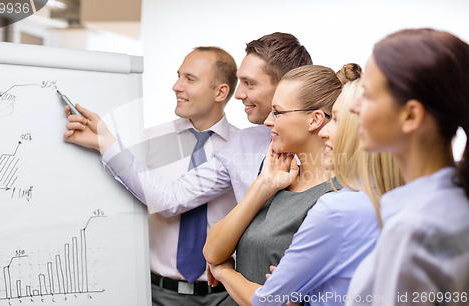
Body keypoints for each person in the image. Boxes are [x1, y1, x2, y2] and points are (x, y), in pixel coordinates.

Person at [206, 66, 404, 306]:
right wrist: (262, 186)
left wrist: (225, 272)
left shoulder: (343, 197)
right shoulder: (276, 173)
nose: (268, 121)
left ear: (315, 119)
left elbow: (271, 300)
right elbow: (212, 251)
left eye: (277, 112)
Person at [63, 32, 313, 216]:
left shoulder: (328, 143)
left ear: (285, 87)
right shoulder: (242, 146)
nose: (238, 94)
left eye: (249, 83)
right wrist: (106, 142)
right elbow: (172, 198)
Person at [66, 46, 238, 305]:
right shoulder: (146, 141)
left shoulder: (244, 149)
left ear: (220, 92)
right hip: (156, 294)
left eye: (189, 79)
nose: (176, 86)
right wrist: (103, 141)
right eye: (178, 76)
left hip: (225, 297)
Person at [346, 28, 469, 306]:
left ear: (411, 115)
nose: (354, 106)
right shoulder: (453, 207)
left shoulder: (414, 230)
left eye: (366, 94)